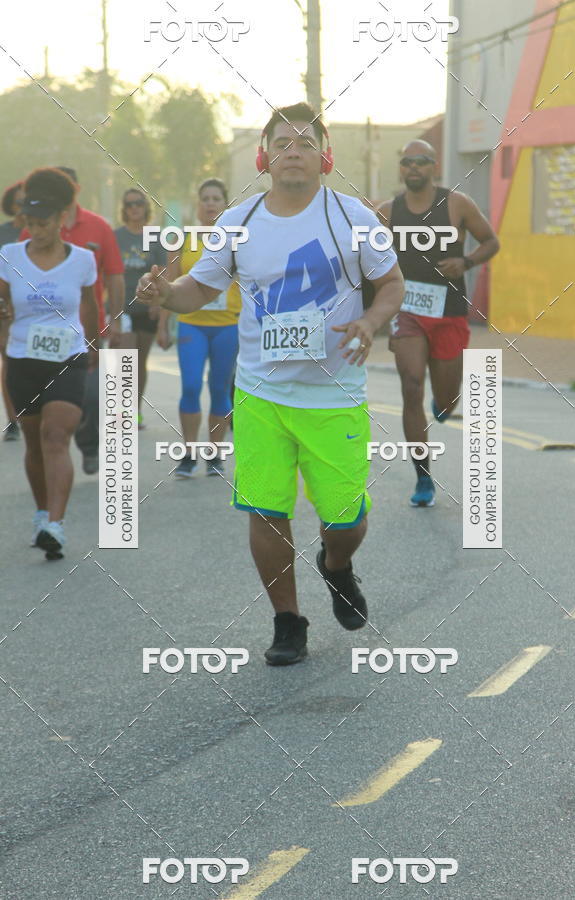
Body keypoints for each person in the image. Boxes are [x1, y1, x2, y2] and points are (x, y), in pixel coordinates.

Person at [137, 102, 404, 666]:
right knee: (265, 510)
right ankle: (288, 622)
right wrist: (164, 295)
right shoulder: (238, 223)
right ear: (264, 156)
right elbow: (197, 291)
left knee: (346, 520)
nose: (294, 151)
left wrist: (371, 321)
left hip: (334, 396)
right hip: (260, 394)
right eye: (283, 142)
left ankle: (335, 566)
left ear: (325, 157)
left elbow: (391, 283)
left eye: (306, 143)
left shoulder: (354, 218)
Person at [378, 140, 499, 507]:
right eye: (407, 161)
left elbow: (490, 242)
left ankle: (444, 404)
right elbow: (370, 259)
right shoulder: (387, 212)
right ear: (401, 169)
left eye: (421, 161)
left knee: (447, 402)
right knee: (411, 386)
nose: (414, 167)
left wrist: (466, 262)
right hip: (409, 314)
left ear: (434, 167)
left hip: (448, 313)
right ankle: (423, 478)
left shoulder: (458, 204)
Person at [0, 168, 99, 559]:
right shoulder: (8, 256)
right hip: (22, 360)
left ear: (61, 220)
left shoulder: (82, 261)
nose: (35, 231)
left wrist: (94, 348)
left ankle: (56, 525)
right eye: (29, 223)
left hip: (67, 358)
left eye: (43, 223)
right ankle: (41, 514)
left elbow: (89, 307)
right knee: (34, 444)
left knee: (56, 438)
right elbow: (3, 307)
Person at [20, 167, 125, 473]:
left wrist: (115, 320)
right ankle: (51, 452)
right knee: (45, 405)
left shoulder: (98, 227)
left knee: (91, 395)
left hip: (86, 329)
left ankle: (89, 445)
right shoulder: (33, 228)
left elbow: (115, 276)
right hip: (42, 329)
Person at [157, 178, 241, 476]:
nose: (210, 203)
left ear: (225, 204)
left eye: (216, 198)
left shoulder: (237, 239)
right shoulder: (182, 239)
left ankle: (215, 455)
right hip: (192, 324)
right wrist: (163, 325)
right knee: (191, 385)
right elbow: (168, 284)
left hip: (227, 326)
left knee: (220, 389)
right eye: (204, 198)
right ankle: (189, 453)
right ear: (197, 204)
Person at [114, 188, 166, 428]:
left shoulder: (155, 237)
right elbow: (109, 273)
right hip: (122, 307)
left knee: (140, 361)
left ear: (146, 207)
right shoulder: (116, 237)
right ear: (124, 209)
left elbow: (162, 273)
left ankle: (135, 411)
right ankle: (122, 412)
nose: (134, 208)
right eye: (129, 204)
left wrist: (158, 303)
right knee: (126, 358)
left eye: (138, 203)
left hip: (147, 307)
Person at [0, 180, 25, 440]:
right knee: (9, 361)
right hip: (5, 308)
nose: (23, 207)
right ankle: (13, 420)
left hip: (36, 307)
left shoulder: (42, 231)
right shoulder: (3, 234)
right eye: (18, 202)